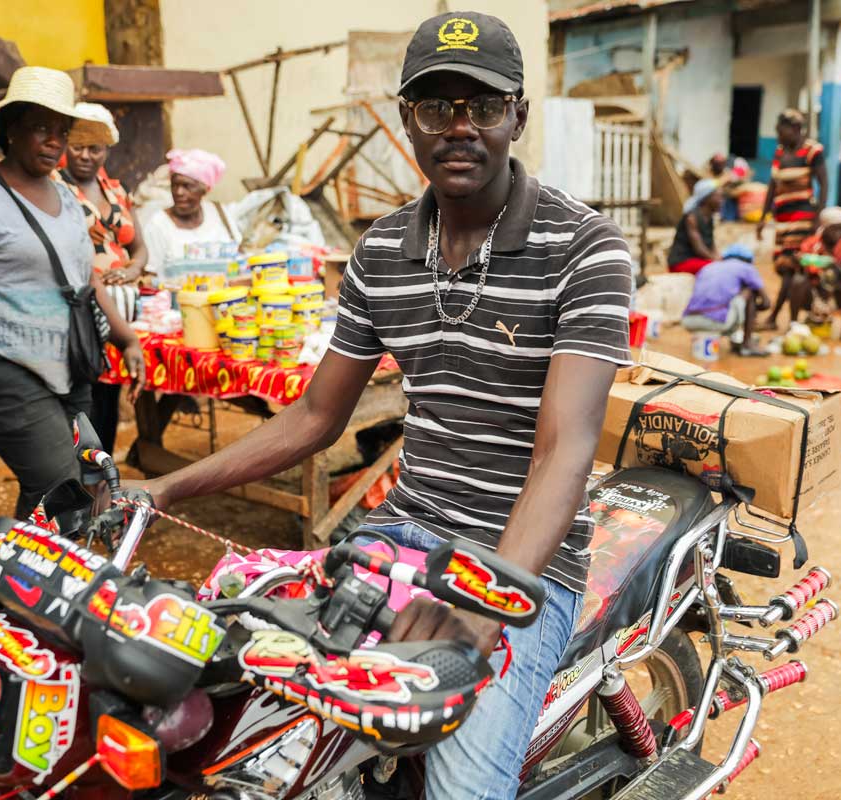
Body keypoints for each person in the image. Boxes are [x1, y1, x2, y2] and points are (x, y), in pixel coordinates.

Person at [130, 12, 633, 798]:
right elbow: (312, 418)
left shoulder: (585, 248)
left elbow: (563, 451)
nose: (459, 128)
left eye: (485, 106)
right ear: (408, 120)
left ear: (519, 116)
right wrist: (162, 489)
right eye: (437, 107)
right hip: (396, 534)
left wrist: (487, 603)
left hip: (521, 564)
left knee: (461, 792)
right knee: (251, 723)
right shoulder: (381, 252)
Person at [0, 66, 145, 519]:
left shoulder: (66, 199)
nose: (54, 141)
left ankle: (14, 577)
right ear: (9, 131)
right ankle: (20, 581)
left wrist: (126, 338)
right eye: (41, 127)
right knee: (58, 483)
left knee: (81, 481)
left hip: (69, 365)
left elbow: (84, 281)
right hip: (2, 365)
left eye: (61, 131)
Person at [55, 102, 148, 454]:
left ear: (107, 150)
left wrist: (133, 269)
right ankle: (82, 476)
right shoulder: (55, 188)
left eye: (95, 148)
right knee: (87, 389)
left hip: (123, 308)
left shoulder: (117, 191)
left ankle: (101, 471)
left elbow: (140, 248)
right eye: (77, 146)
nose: (85, 156)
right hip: (80, 308)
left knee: (108, 389)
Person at [757, 109, 828, 329]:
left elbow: (823, 183)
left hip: (802, 219)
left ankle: (775, 318)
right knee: (785, 267)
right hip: (783, 220)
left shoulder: (812, 151)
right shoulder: (780, 152)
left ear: (796, 129)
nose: (778, 136)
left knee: (791, 267)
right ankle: (790, 317)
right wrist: (763, 216)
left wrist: (818, 217)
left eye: (781, 131)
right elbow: (772, 186)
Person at [143, 148, 241, 277]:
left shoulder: (219, 213)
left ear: (205, 189)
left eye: (187, 186)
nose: (179, 192)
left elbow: (239, 256)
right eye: (175, 185)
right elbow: (150, 276)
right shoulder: (158, 224)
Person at [681, 243, 769, 357]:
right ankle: (747, 344)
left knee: (728, 297)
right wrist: (751, 312)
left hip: (688, 321)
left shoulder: (708, 267)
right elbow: (766, 303)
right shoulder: (746, 267)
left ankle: (728, 337)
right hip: (716, 322)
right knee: (749, 292)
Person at [794, 206, 841, 341]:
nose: (840, 232)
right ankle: (793, 325)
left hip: (837, 295)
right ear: (825, 227)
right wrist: (800, 261)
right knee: (798, 280)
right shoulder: (811, 244)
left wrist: (834, 265)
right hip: (814, 292)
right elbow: (805, 269)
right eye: (835, 228)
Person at [667, 178, 722, 274]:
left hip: (698, 260)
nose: (721, 201)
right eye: (718, 197)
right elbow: (699, 248)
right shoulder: (691, 218)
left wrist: (718, 257)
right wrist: (716, 260)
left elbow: (711, 244)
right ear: (706, 198)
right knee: (717, 268)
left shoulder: (709, 218)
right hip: (681, 262)